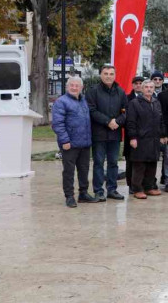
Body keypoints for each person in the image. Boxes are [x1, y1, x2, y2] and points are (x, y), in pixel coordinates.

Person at [52, 77, 97, 207]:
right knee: (69, 172)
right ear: (67, 87)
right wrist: (64, 140)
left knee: (84, 170)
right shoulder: (61, 102)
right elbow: (57, 124)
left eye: (77, 85)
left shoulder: (83, 101)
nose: (74, 87)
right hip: (69, 144)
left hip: (84, 143)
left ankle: (83, 194)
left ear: (81, 88)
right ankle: (69, 196)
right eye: (71, 85)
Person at [86, 65, 127, 201]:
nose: (108, 76)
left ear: (115, 75)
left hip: (115, 134)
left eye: (111, 74)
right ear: (100, 75)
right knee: (98, 163)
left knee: (113, 163)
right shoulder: (93, 91)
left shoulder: (120, 92)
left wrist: (118, 121)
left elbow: (125, 111)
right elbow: (91, 110)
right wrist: (108, 121)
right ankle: (98, 191)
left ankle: (112, 189)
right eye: (105, 73)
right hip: (99, 134)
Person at [126, 80, 166, 200]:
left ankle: (149, 187)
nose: (149, 89)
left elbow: (161, 120)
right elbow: (131, 122)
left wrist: (163, 135)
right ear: (142, 89)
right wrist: (133, 137)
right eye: (146, 87)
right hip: (140, 139)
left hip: (154, 139)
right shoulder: (135, 103)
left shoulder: (156, 102)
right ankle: (137, 189)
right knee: (139, 164)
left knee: (152, 164)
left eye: (151, 87)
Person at [123, 76, 144, 193]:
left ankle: (142, 183)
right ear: (132, 85)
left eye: (141, 83)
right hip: (131, 134)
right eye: (136, 83)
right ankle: (130, 184)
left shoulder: (148, 98)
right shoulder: (127, 98)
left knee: (142, 160)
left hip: (145, 135)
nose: (138, 85)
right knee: (130, 160)